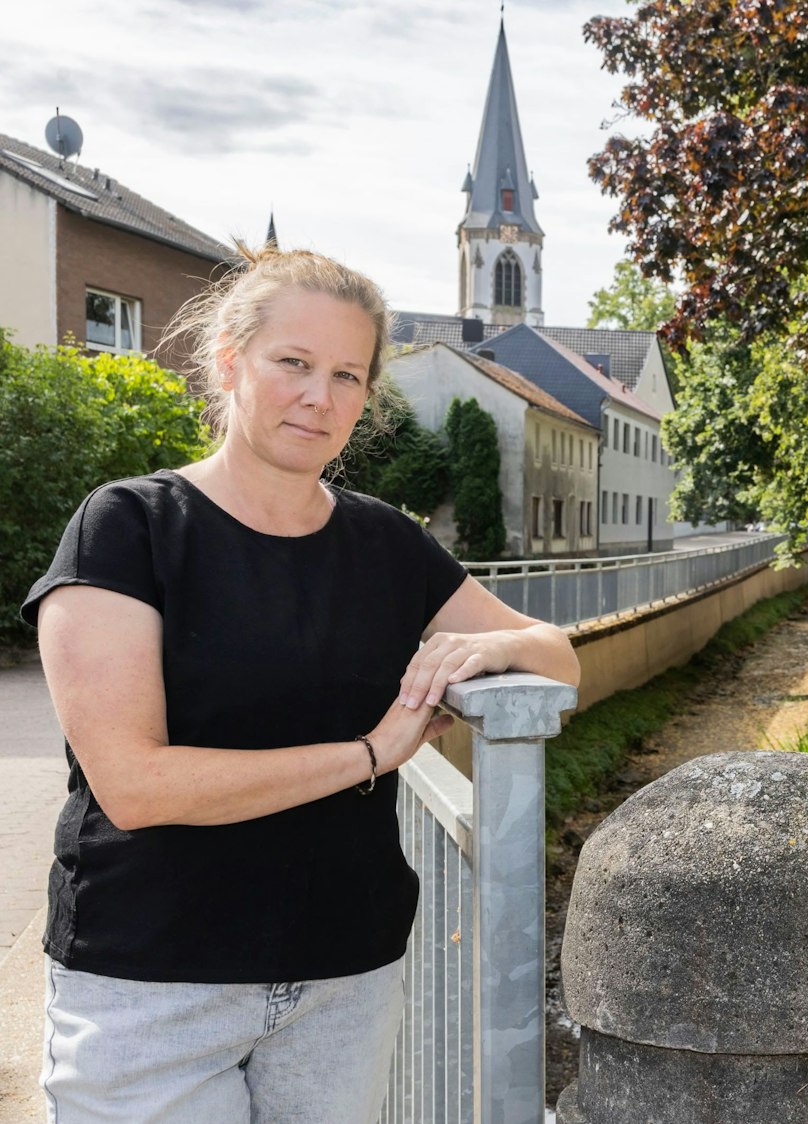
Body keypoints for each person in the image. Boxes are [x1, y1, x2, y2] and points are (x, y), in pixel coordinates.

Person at [24, 244, 581, 1123]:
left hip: (343, 981)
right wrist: (371, 753)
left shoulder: (387, 544)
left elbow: (558, 655)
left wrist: (493, 649)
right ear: (229, 363)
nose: (320, 396)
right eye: (294, 363)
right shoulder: (129, 528)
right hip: (154, 984)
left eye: (347, 375)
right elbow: (134, 785)